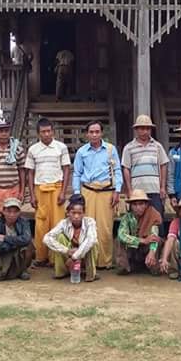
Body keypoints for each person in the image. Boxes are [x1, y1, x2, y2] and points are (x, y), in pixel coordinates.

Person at [72, 119, 123, 269]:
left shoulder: (110, 149)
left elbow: (117, 170)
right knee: (86, 227)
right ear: (87, 134)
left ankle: (104, 261)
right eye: (91, 132)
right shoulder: (82, 152)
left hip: (106, 192)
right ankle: (87, 260)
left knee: (105, 228)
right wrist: (77, 194)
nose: (94, 135)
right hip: (87, 191)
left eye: (97, 132)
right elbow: (77, 173)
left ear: (102, 133)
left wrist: (117, 190)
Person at [25, 117, 71, 266]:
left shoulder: (61, 147)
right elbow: (30, 173)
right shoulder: (33, 149)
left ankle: (55, 258)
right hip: (40, 189)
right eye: (43, 132)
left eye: (49, 131)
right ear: (38, 133)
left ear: (53, 132)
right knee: (41, 224)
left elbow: (66, 169)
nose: (46, 134)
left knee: (57, 224)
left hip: (56, 188)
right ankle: (41, 257)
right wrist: (32, 195)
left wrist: (63, 192)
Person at [121, 114, 169, 219]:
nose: (145, 131)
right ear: (136, 130)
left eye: (148, 129)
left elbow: (163, 165)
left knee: (156, 219)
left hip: (155, 189)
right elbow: (126, 169)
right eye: (142, 128)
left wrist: (162, 187)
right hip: (137, 190)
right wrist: (129, 190)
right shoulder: (129, 147)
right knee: (137, 221)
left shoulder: (157, 146)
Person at [44, 195, 99, 282]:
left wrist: (74, 257)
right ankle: (62, 272)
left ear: (84, 213)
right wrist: (67, 251)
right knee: (60, 237)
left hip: (83, 257)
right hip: (69, 256)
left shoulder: (90, 222)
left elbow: (91, 239)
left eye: (79, 213)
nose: (76, 216)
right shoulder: (63, 223)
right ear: (68, 213)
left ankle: (90, 274)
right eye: (73, 213)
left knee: (93, 242)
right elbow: (47, 238)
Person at [0, 198, 34, 281]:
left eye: (15, 212)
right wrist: (6, 246)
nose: (12, 215)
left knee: (29, 246)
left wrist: (6, 238)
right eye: (9, 211)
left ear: (19, 212)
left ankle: (23, 270)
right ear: (3, 211)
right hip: (4, 249)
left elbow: (26, 238)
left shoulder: (24, 222)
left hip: (18, 251)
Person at [115, 190, 161, 276]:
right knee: (119, 240)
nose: (138, 207)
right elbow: (121, 235)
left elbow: (154, 235)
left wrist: (151, 252)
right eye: (134, 204)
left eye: (141, 204)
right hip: (132, 249)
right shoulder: (126, 218)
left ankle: (152, 265)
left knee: (157, 240)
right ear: (131, 206)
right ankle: (124, 268)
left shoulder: (152, 215)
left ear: (146, 205)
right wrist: (142, 240)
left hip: (146, 249)